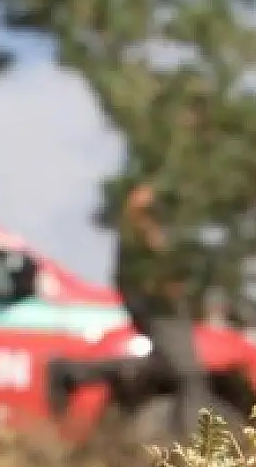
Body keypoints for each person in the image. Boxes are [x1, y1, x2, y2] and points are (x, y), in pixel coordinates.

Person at [46, 182, 214, 438]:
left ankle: (75, 372)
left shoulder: (152, 229)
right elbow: (137, 277)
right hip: (160, 309)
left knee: (171, 368)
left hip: (164, 307)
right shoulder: (136, 236)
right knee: (188, 374)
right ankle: (197, 450)